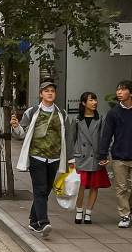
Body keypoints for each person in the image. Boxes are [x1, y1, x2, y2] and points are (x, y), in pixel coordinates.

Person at [11, 79, 70, 237]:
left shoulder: (61, 113)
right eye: (46, 91)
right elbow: (21, 134)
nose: (50, 93)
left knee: (46, 190)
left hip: (55, 157)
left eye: (52, 91)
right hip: (37, 156)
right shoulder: (32, 112)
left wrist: (71, 158)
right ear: (41, 94)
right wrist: (16, 127)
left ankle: (33, 220)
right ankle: (44, 222)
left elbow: (67, 137)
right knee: (40, 189)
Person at [70, 91, 109, 224]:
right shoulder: (76, 119)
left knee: (94, 186)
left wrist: (105, 155)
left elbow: (105, 138)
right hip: (81, 156)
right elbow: (71, 139)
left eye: (95, 100)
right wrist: (71, 158)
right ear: (83, 103)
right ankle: (79, 210)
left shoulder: (101, 118)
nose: (95, 102)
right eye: (91, 100)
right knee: (80, 186)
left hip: (96, 157)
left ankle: (89, 213)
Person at [99, 80, 132, 228]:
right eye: (118, 90)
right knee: (121, 188)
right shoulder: (114, 113)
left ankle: (129, 211)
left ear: (130, 93)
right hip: (119, 156)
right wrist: (103, 154)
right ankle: (124, 215)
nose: (119, 92)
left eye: (123, 89)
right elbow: (106, 135)